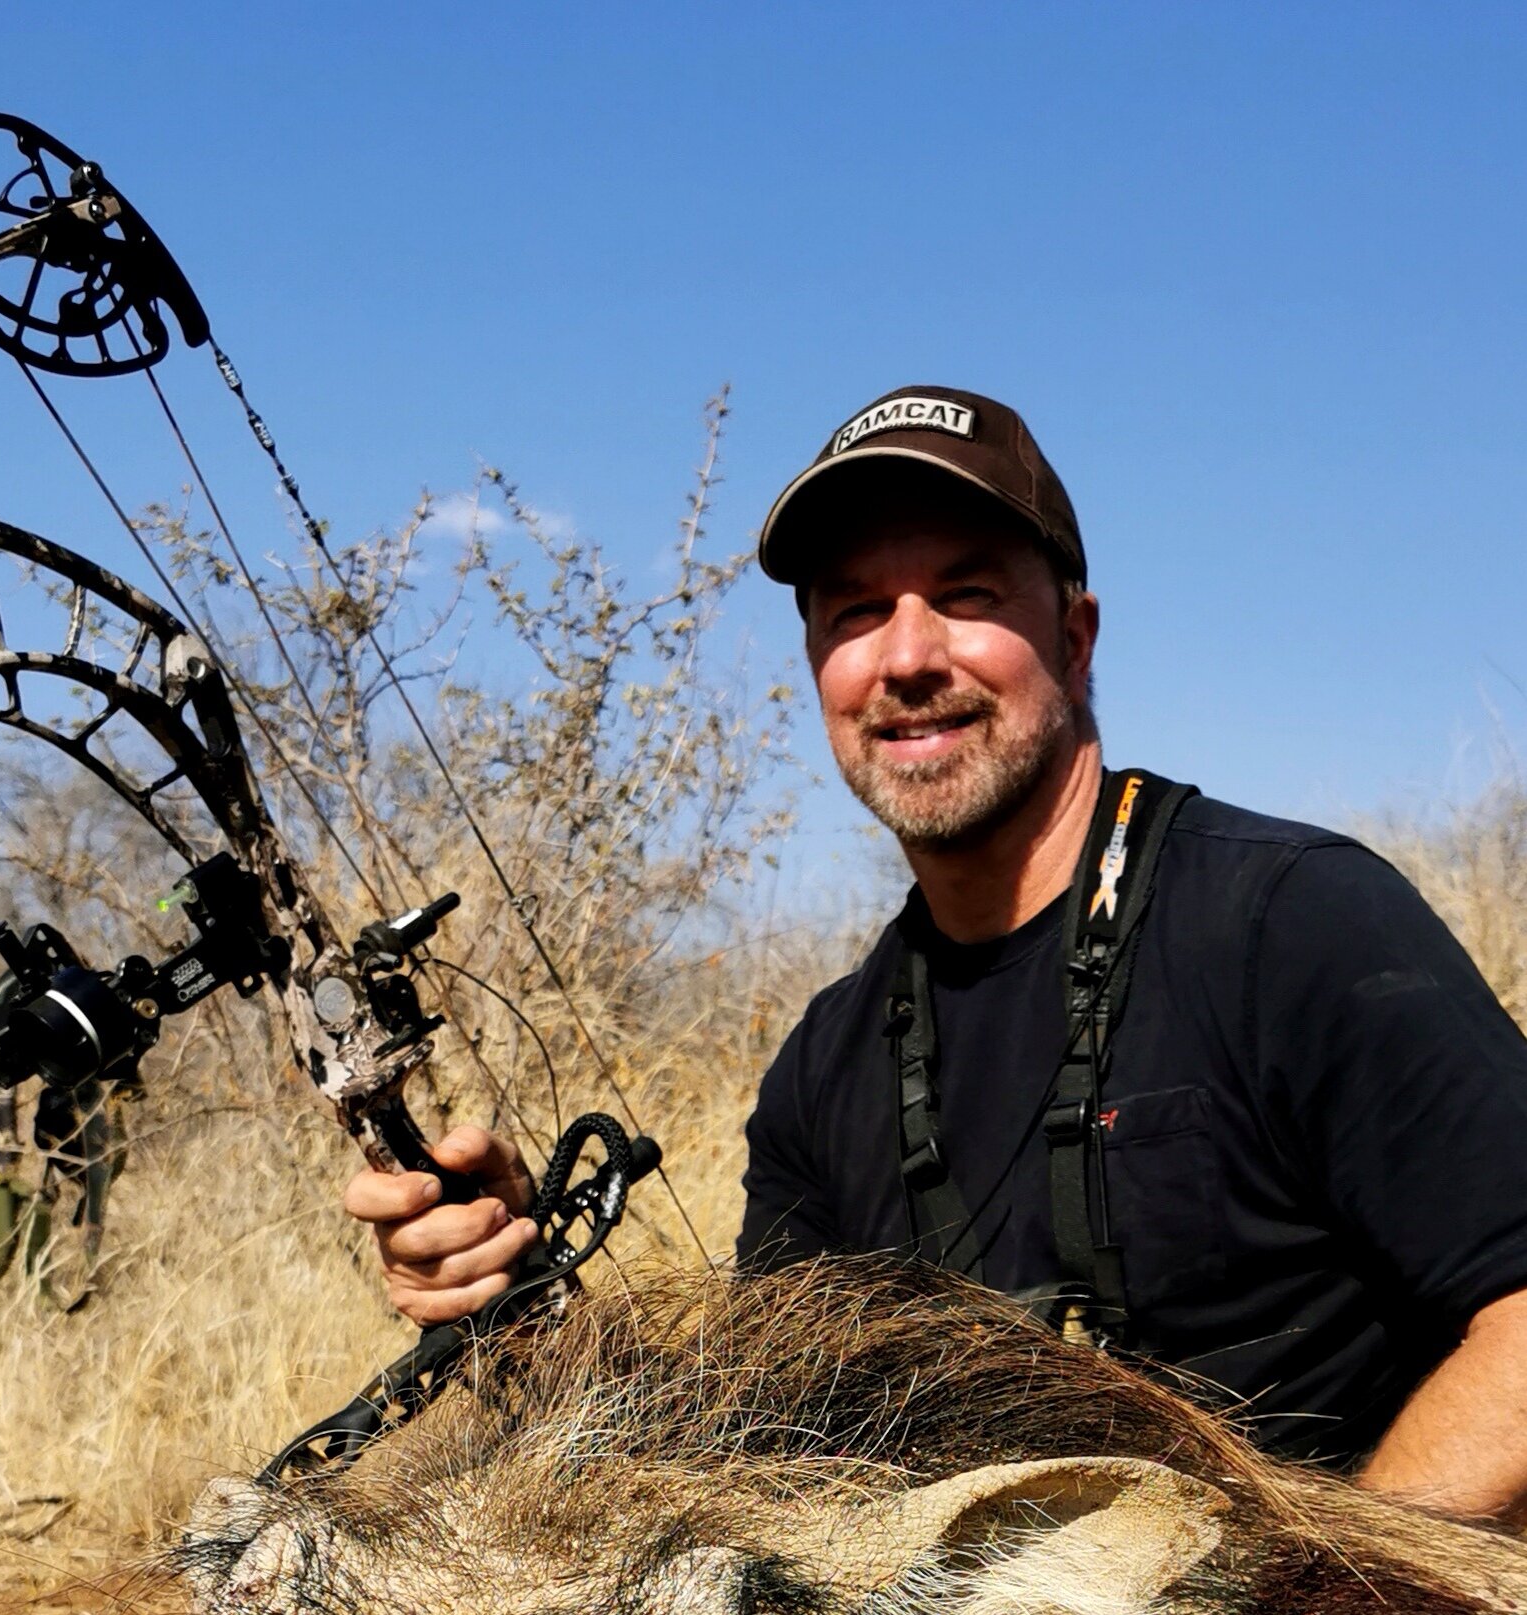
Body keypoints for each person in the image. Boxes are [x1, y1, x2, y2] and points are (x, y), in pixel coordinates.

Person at [344, 387, 1527, 1523]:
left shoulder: (1290, 921)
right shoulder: (825, 1069)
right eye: (855, 610)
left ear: (1072, 638)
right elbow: (765, 1474)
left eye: (964, 594)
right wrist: (520, 1306)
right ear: (818, 666)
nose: (907, 656)